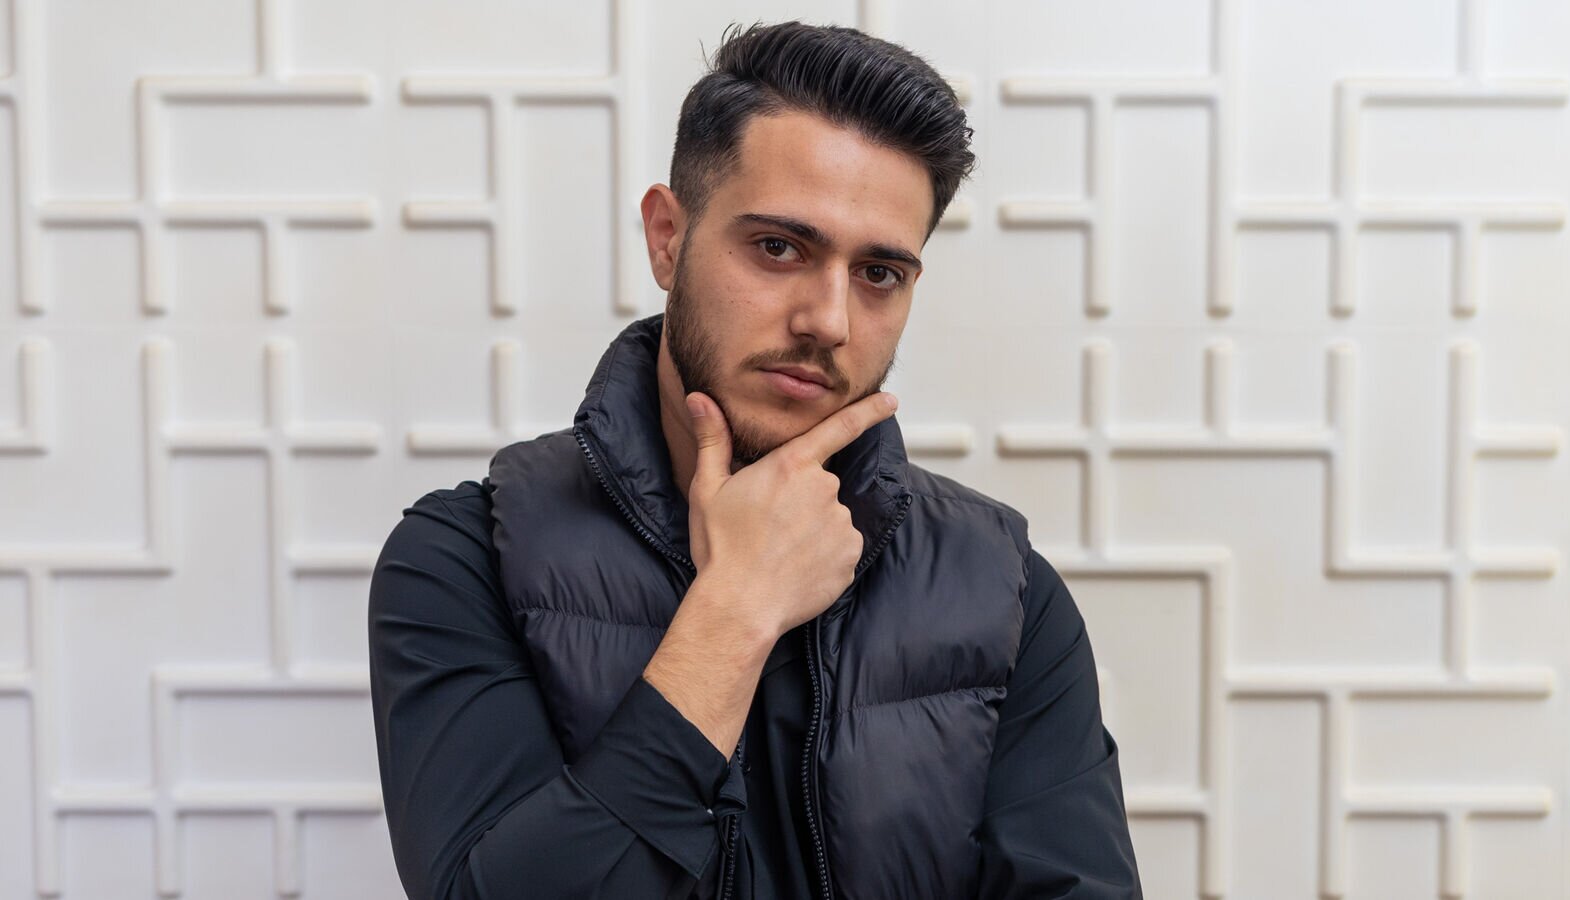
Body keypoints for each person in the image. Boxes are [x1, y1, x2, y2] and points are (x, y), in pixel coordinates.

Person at [368, 20, 1141, 900]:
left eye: (879, 274)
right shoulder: (466, 557)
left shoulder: (1002, 589)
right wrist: (735, 614)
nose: (828, 321)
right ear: (667, 238)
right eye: (779, 248)